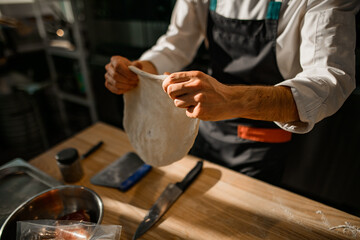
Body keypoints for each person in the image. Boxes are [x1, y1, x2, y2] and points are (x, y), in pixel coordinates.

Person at [104, 0, 360, 185]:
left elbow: (330, 79)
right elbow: (176, 42)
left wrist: (231, 99)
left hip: (264, 139)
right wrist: (140, 70)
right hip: (204, 128)